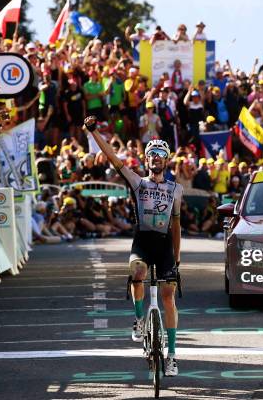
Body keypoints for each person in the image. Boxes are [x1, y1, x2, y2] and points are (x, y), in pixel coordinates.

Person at [84, 116, 183, 377]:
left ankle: (172, 356)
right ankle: (140, 320)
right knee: (138, 273)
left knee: (168, 297)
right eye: (153, 154)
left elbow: (176, 225)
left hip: (164, 246)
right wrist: (94, 131)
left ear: (167, 159)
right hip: (143, 240)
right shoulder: (139, 183)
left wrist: (178, 257)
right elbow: (114, 159)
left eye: (162, 154)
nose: (157, 157)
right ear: (147, 160)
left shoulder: (176, 190)